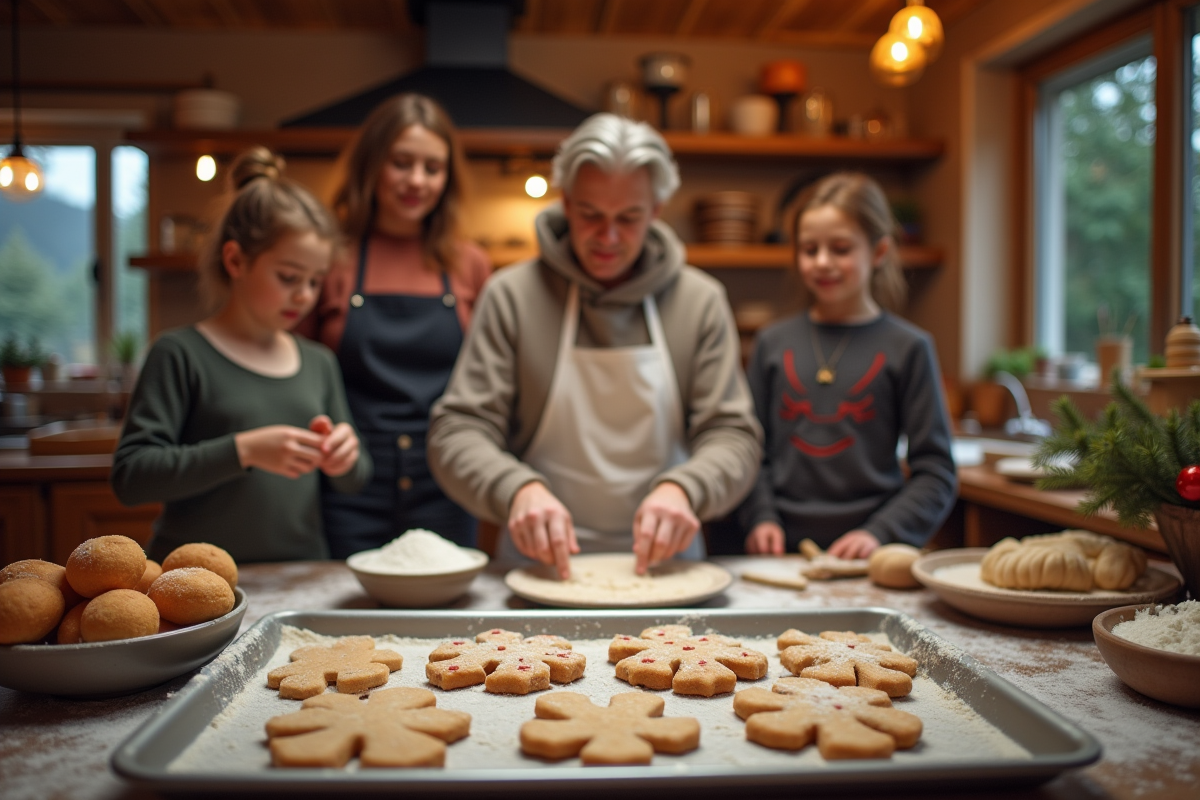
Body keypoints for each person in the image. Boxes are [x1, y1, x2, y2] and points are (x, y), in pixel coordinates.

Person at [428, 113, 763, 579]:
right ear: (565, 202)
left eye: (628, 218)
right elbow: (457, 431)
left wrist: (686, 489)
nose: (607, 237)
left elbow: (734, 436)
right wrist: (516, 489)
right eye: (590, 215)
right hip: (538, 570)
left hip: (668, 572)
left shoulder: (699, 301)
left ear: (657, 210)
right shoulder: (513, 296)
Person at [112, 147, 371, 563]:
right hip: (194, 581)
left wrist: (345, 458)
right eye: (288, 277)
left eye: (315, 281)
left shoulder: (318, 361)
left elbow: (355, 480)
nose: (304, 295)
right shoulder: (180, 354)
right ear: (235, 260)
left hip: (301, 572)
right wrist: (244, 450)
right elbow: (132, 477)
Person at [299, 94, 491, 558]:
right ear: (371, 165)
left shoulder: (469, 264)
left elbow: (489, 383)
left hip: (446, 478)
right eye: (401, 163)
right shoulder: (330, 256)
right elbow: (295, 371)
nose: (417, 181)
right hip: (350, 478)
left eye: (432, 167)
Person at [737, 172, 956, 559]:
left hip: (868, 553)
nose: (822, 262)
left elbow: (936, 473)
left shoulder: (910, 348)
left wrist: (880, 533)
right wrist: (760, 516)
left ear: (879, 252)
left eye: (840, 248)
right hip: (777, 551)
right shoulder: (772, 343)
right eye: (808, 250)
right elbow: (749, 450)